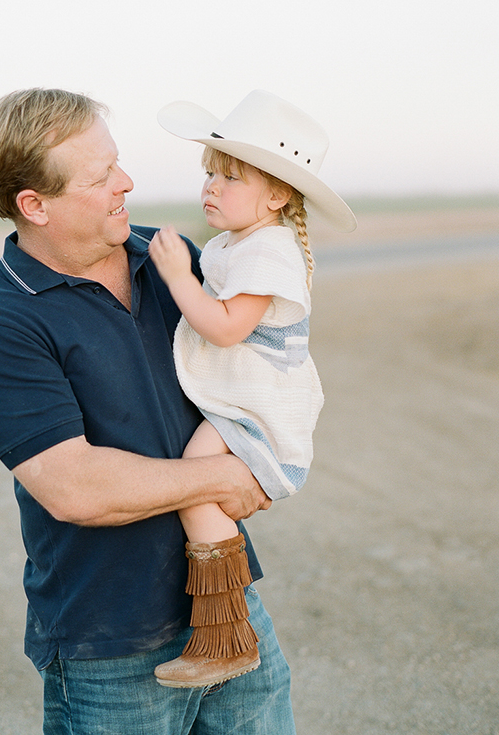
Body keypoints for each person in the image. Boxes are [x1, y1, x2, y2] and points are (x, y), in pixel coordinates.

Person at [0, 87, 298, 735]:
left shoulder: (173, 262)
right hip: (108, 643)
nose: (127, 183)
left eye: (118, 163)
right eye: (102, 175)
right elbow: (77, 487)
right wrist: (226, 478)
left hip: (229, 604)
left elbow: (257, 364)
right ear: (35, 205)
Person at [147, 89, 357, 688]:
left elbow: (225, 327)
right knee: (198, 486)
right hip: (247, 394)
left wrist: (175, 276)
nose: (212, 187)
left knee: (194, 484)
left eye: (231, 177)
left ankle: (223, 634)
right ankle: (224, 634)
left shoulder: (268, 250)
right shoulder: (243, 241)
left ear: (277, 195)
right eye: (210, 173)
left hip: (263, 403)